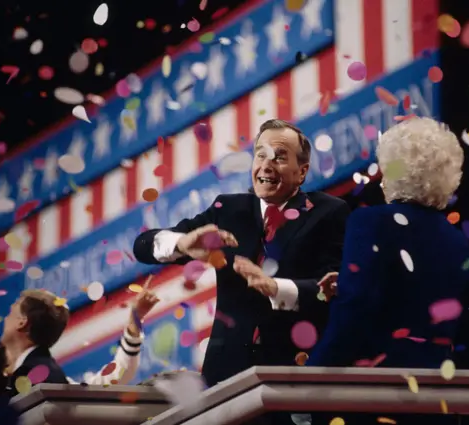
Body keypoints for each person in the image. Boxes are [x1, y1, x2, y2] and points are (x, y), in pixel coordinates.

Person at [133, 119, 350, 389]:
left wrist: (276, 288)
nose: (266, 165)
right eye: (261, 154)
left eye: (280, 157)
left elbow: (336, 288)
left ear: (302, 172)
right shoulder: (228, 209)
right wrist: (182, 243)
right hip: (225, 378)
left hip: (295, 378)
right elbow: (142, 246)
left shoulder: (329, 212)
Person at [306, 117, 469, 424]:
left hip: (375, 400)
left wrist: (311, 377)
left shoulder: (371, 222)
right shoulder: (457, 240)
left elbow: (356, 308)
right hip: (435, 404)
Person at [0, 287, 159, 400]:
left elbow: (114, 377)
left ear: (22, 322)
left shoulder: (42, 375)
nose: (5, 318)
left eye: (11, 312)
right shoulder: (16, 376)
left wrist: (135, 320)